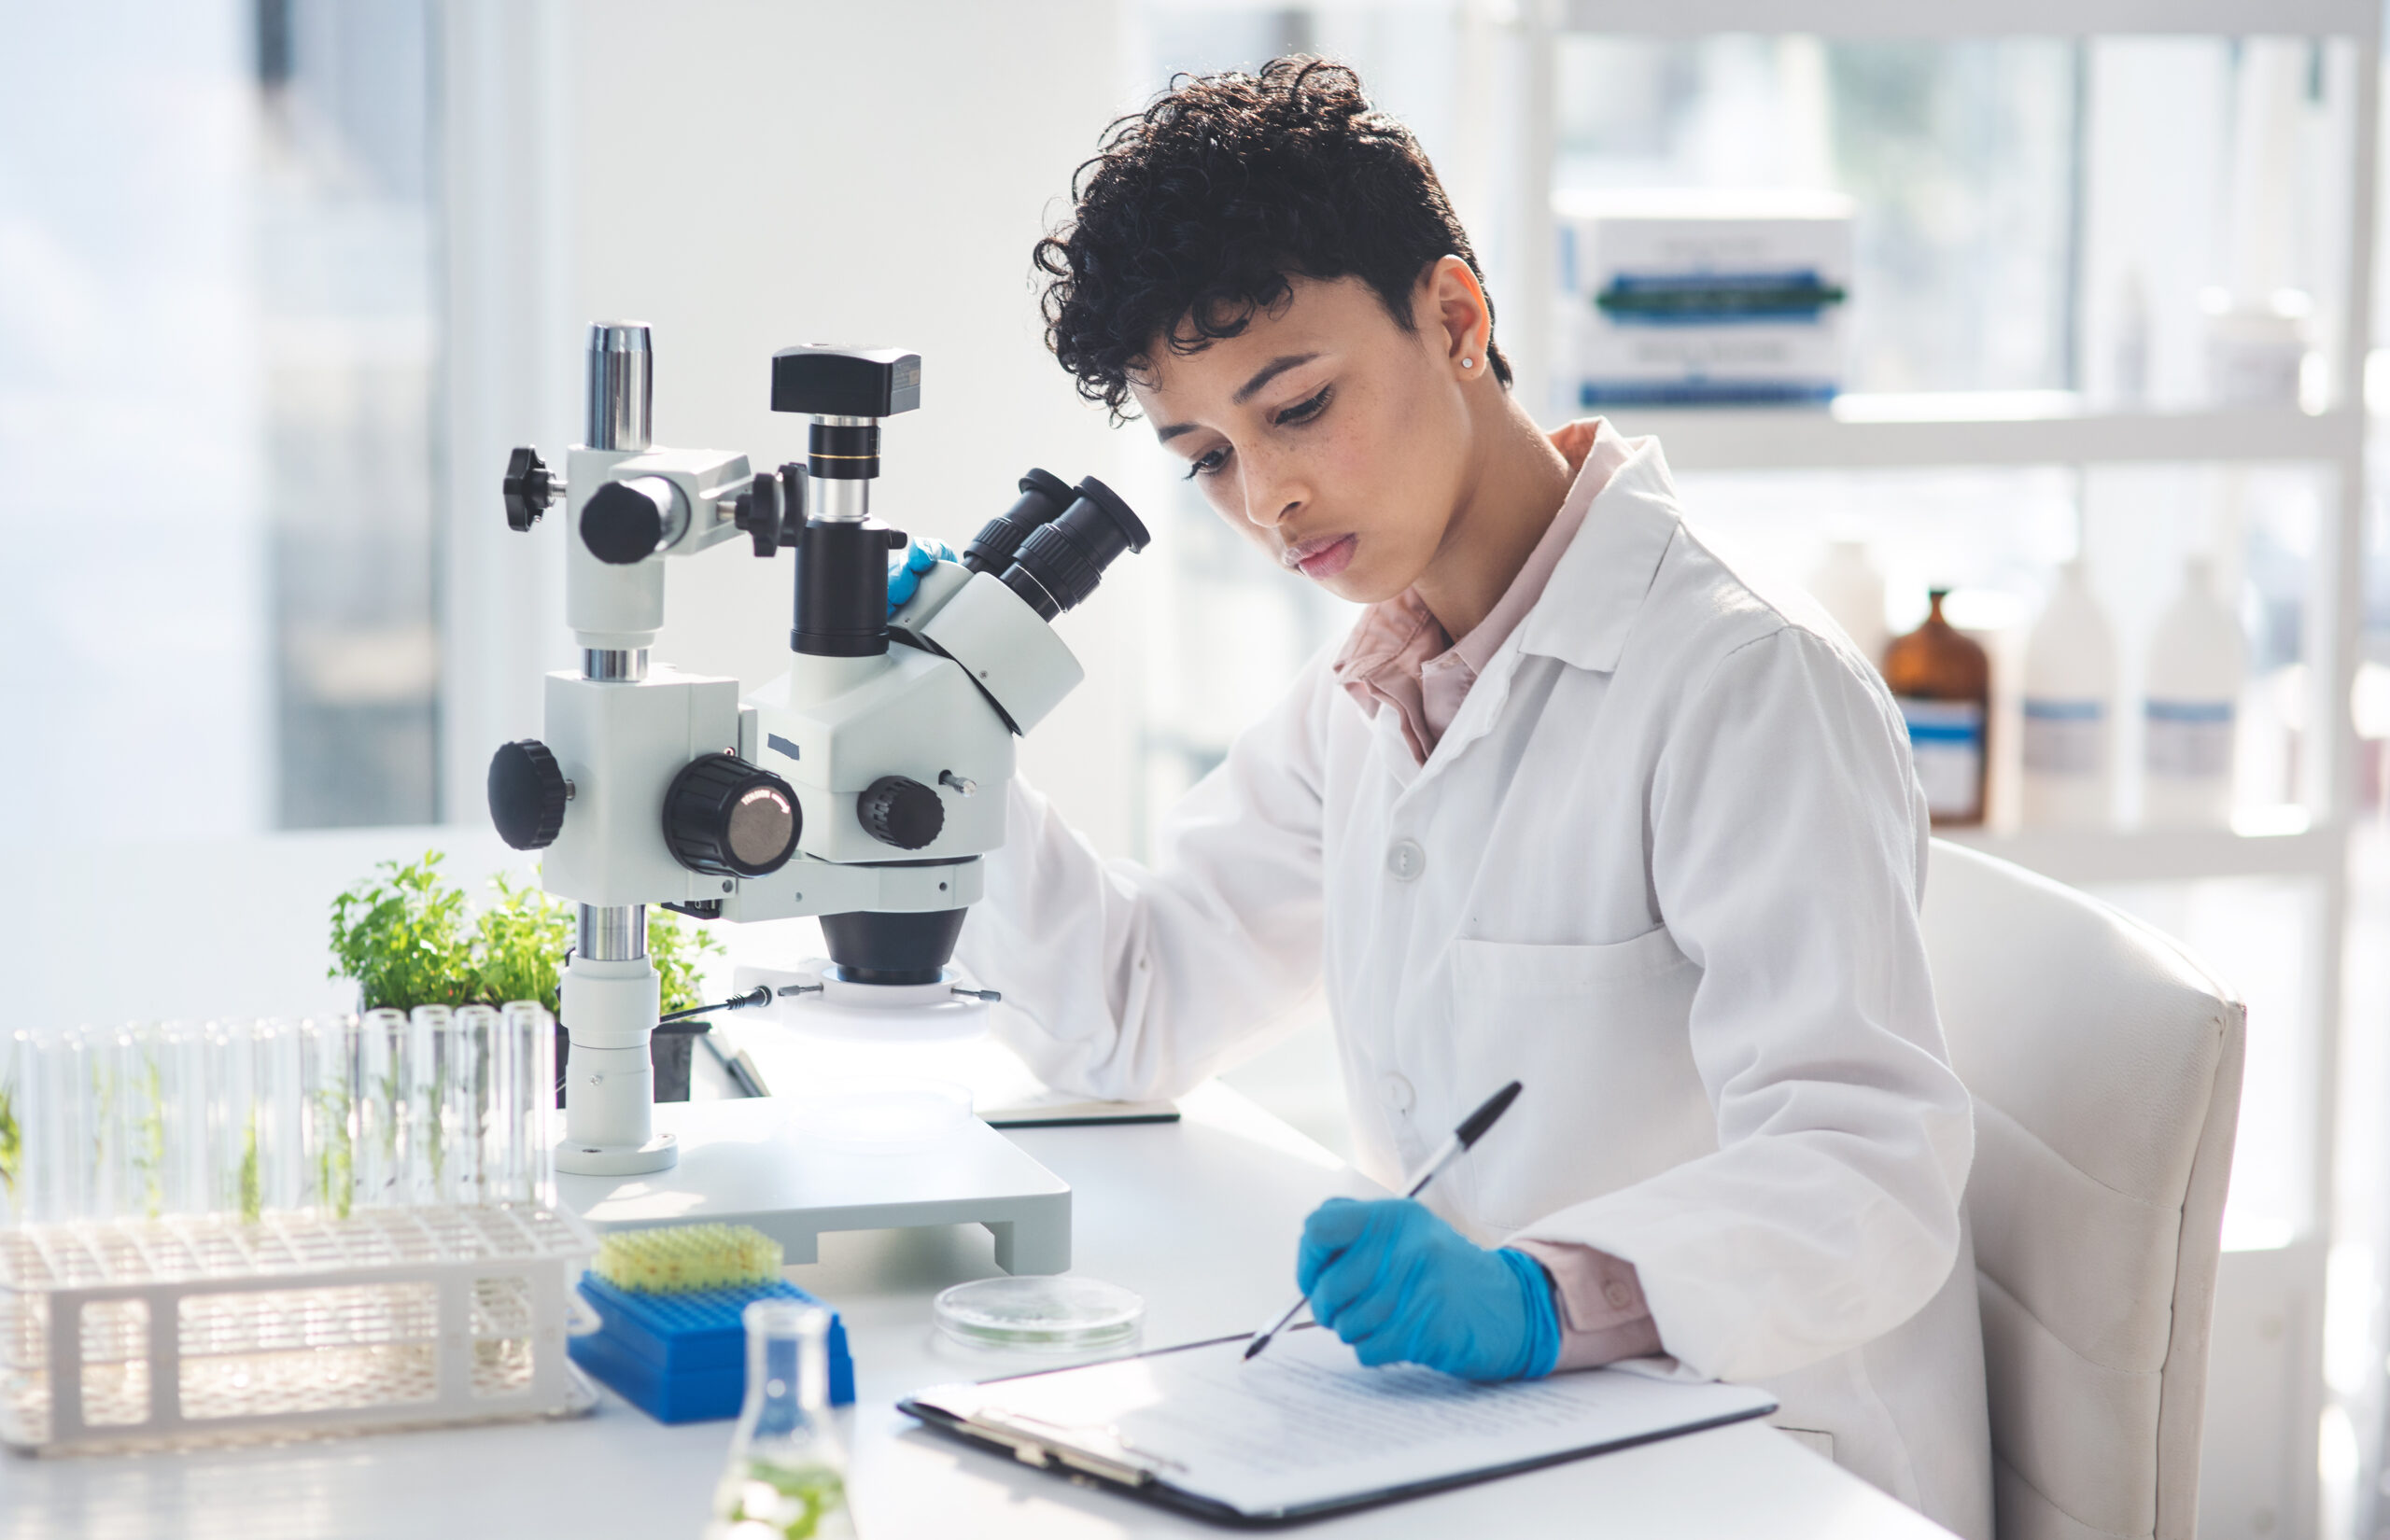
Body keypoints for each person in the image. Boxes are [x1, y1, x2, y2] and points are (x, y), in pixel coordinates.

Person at [952, 57, 1991, 1538]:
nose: (1268, 501)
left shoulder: (1741, 678)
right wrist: (954, 751)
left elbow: (1868, 1172)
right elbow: (1133, 1007)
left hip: (1763, 1460)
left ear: (1454, 319)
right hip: (1503, 1443)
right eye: (1207, 461)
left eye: (1298, 406)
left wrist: (1543, 1292)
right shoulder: (1373, 690)